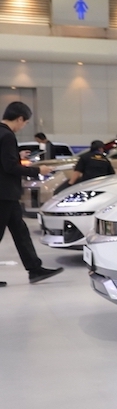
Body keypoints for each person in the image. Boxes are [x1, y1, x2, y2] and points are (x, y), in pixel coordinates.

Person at [1, 102, 62, 286]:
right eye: (25, 123)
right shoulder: (7, 135)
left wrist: (17, 156)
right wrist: (37, 171)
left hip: (7, 195)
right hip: (4, 194)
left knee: (21, 232)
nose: (23, 126)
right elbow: (10, 167)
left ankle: (35, 269)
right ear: (20, 119)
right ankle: (34, 269)